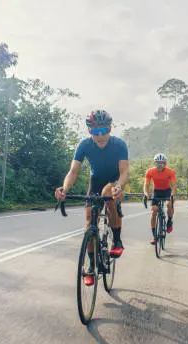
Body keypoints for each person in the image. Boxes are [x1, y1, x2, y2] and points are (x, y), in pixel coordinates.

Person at [55, 109, 129, 285]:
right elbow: (73, 172)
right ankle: (91, 265)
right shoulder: (84, 145)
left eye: (105, 130)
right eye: (96, 132)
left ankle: (117, 240)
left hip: (113, 181)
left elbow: (125, 171)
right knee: (89, 224)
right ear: (90, 131)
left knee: (107, 194)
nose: (101, 135)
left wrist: (119, 186)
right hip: (95, 181)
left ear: (110, 129)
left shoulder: (119, 145)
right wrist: (64, 189)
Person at [143, 153, 177, 244]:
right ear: (155, 163)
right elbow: (146, 185)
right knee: (154, 210)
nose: (160, 165)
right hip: (156, 191)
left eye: (162, 163)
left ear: (165, 164)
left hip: (167, 191)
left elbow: (173, 186)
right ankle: (154, 236)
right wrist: (146, 194)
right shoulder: (150, 171)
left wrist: (172, 195)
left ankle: (169, 221)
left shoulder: (170, 172)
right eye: (158, 163)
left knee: (169, 204)